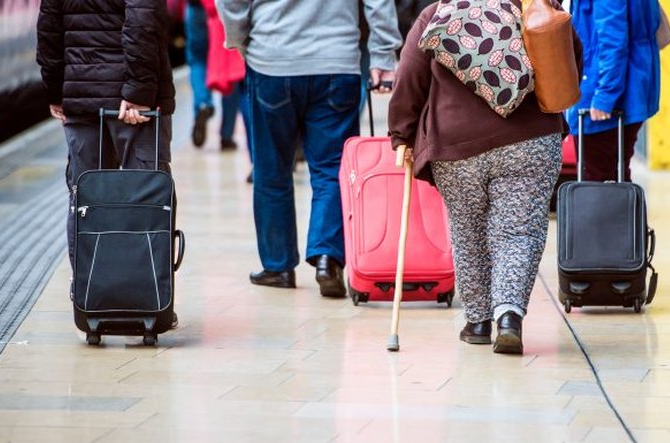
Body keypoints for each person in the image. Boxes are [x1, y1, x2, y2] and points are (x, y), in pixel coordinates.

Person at [388, 2, 582, 354]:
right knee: (518, 232)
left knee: (468, 232)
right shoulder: (535, 5)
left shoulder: (438, 13)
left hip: (456, 145)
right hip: (530, 139)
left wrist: (401, 133)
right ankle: (508, 316)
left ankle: (478, 321)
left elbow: (408, 76)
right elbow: (571, 59)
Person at [217, 0, 401, 298]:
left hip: (271, 59)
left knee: (271, 169)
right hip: (337, 62)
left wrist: (241, 40)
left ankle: (278, 266)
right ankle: (328, 257)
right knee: (332, 169)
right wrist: (382, 54)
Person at [36, 0, 176, 268]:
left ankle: (88, 285)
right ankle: (145, 286)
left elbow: (49, 28)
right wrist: (139, 91)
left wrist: (56, 89)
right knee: (147, 198)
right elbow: (142, 19)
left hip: (82, 95)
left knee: (86, 200)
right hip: (132, 106)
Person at [566, 0, 662, 182]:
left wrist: (605, 96)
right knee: (617, 175)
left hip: (603, 94)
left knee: (596, 179)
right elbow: (663, 35)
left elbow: (612, 40)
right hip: (631, 88)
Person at [185, 0, 246, 151]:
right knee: (230, 70)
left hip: (197, 8)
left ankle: (203, 103)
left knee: (198, 60)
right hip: (222, 9)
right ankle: (227, 135)